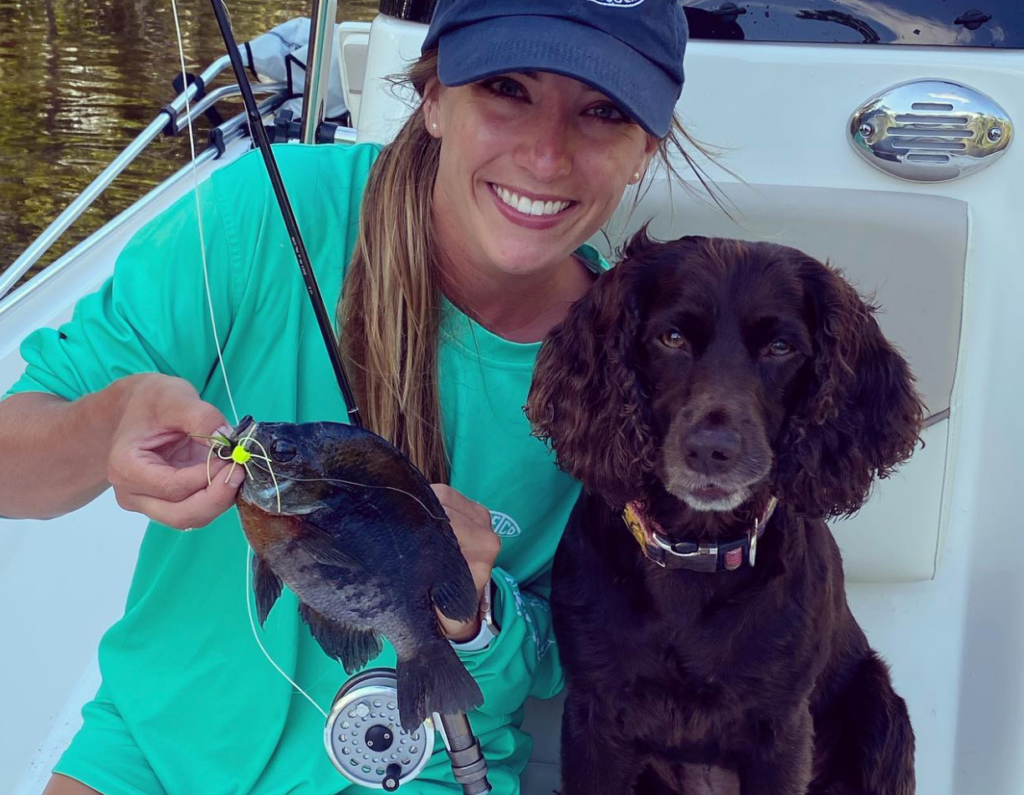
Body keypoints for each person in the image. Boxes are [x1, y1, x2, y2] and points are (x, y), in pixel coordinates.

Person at [0, 0, 693, 792]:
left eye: (602, 111)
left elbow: (565, 657)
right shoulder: (258, 219)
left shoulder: (638, 371)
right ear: (433, 98)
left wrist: (480, 618)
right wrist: (104, 427)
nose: (545, 154)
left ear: (645, 148)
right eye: (507, 87)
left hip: (425, 763)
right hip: (151, 747)